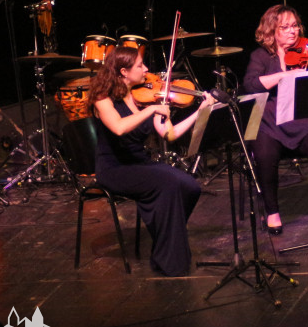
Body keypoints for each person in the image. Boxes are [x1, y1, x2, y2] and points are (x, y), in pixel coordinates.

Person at [88, 46, 215, 276]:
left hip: (140, 164)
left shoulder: (142, 97)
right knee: (168, 183)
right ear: (124, 72)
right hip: (115, 169)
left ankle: (165, 242)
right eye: (140, 66)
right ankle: (169, 260)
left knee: (190, 187)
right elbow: (118, 128)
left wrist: (202, 111)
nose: (146, 69)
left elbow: (170, 134)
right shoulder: (102, 99)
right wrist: (151, 110)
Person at [241, 5, 308, 235]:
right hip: (270, 122)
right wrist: (283, 75)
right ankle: (272, 211)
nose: (292, 31)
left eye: (295, 26)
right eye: (285, 27)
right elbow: (250, 85)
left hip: (304, 120)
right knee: (264, 155)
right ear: (271, 30)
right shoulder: (260, 56)